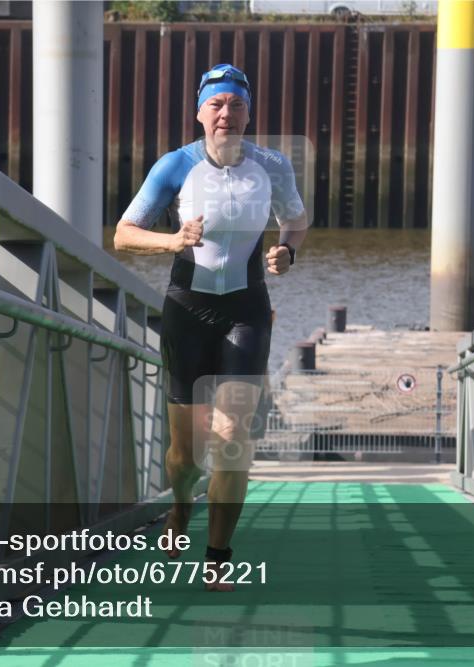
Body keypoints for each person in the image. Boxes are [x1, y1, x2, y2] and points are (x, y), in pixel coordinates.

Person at [113, 64, 308, 591]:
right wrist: (173, 240)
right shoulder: (174, 166)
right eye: (217, 104)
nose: (227, 113)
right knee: (187, 452)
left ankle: (218, 556)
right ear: (200, 112)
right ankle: (180, 506)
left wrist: (287, 250)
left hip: (246, 310)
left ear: (249, 112)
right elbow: (124, 234)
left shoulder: (273, 166)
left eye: (236, 104)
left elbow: (296, 220)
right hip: (187, 311)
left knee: (232, 438)